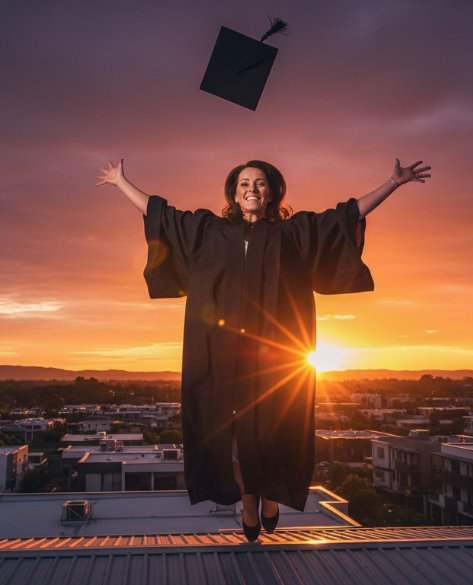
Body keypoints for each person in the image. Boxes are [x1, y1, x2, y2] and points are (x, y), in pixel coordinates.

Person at [96, 157, 430, 541]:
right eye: (243, 183)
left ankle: (270, 491)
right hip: (219, 354)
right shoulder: (209, 231)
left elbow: (345, 215)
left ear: (272, 191)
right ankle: (249, 497)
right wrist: (122, 182)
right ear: (233, 194)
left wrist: (393, 181)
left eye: (259, 183)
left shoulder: (292, 233)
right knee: (228, 436)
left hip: (276, 355)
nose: (251, 189)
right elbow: (162, 214)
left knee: (273, 430)